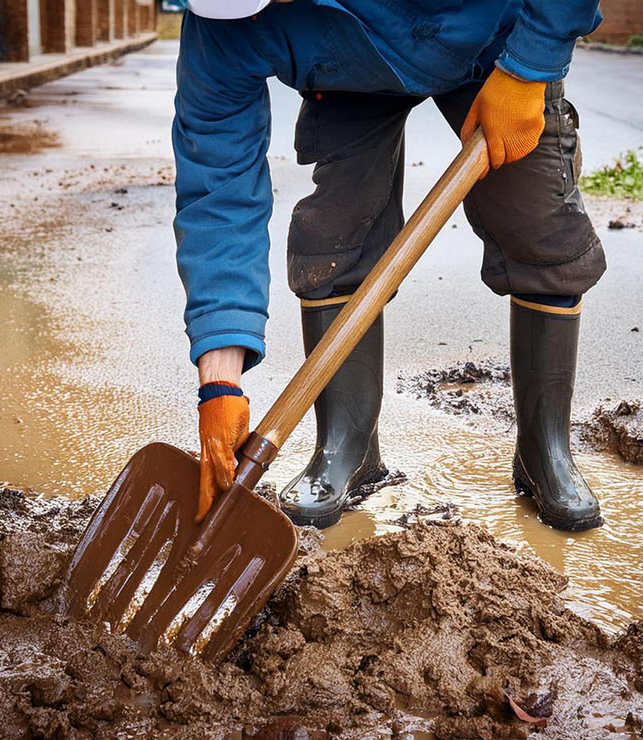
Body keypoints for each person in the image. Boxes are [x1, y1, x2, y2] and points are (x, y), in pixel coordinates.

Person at [176, 0, 607, 532]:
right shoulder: (221, 28)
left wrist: (531, 67)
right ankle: (348, 450)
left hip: (492, 46)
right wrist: (219, 381)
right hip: (345, 72)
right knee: (332, 237)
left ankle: (546, 451)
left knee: (539, 224)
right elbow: (219, 191)